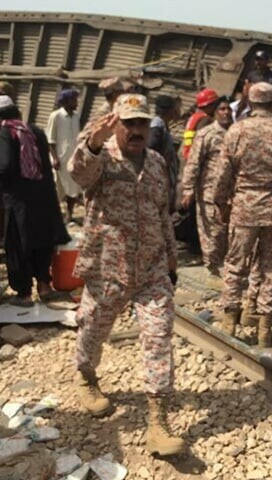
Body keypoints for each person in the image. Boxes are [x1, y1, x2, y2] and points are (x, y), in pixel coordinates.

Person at [68, 94, 184, 455]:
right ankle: (86, 376)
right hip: (108, 267)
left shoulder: (155, 162)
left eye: (141, 123)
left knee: (158, 336)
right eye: (128, 122)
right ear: (115, 124)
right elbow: (77, 175)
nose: (136, 130)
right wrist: (93, 143)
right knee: (93, 328)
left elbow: (162, 212)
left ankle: (158, 421)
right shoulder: (101, 159)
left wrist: (170, 261)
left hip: (150, 270)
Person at [215, 82, 272, 347]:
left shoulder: (237, 130)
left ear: (251, 102)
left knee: (235, 263)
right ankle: (265, 326)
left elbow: (222, 175)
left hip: (244, 206)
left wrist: (221, 205)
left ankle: (230, 319)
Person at [0, 96, 69, 307]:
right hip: (42, 198)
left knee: (18, 246)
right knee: (41, 243)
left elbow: (3, 165)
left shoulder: (4, 132)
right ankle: (44, 287)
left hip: (17, 201)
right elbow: (46, 168)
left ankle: (24, 295)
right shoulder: (35, 131)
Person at [181, 96, 234, 289]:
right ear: (214, 112)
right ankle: (213, 270)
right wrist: (188, 189)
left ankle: (227, 272)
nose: (226, 112)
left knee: (229, 235)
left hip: (233, 196)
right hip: (209, 194)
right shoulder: (206, 134)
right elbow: (193, 163)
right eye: (222, 109)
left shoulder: (237, 132)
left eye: (229, 109)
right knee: (211, 235)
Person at [46, 88, 82, 224]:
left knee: (73, 188)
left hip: (73, 159)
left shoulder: (77, 116)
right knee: (57, 188)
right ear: (65, 101)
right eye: (73, 100)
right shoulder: (56, 116)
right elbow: (50, 139)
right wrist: (54, 158)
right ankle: (53, 215)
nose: (76, 102)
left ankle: (69, 214)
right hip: (60, 159)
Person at [148, 95, 181, 214]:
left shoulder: (162, 125)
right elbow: (151, 147)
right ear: (170, 110)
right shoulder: (157, 126)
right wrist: (161, 161)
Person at [182, 88, 218, 159]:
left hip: (188, 153)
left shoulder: (195, 116)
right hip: (195, 155)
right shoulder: (206, 119)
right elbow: (201, 139)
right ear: (209, 105)